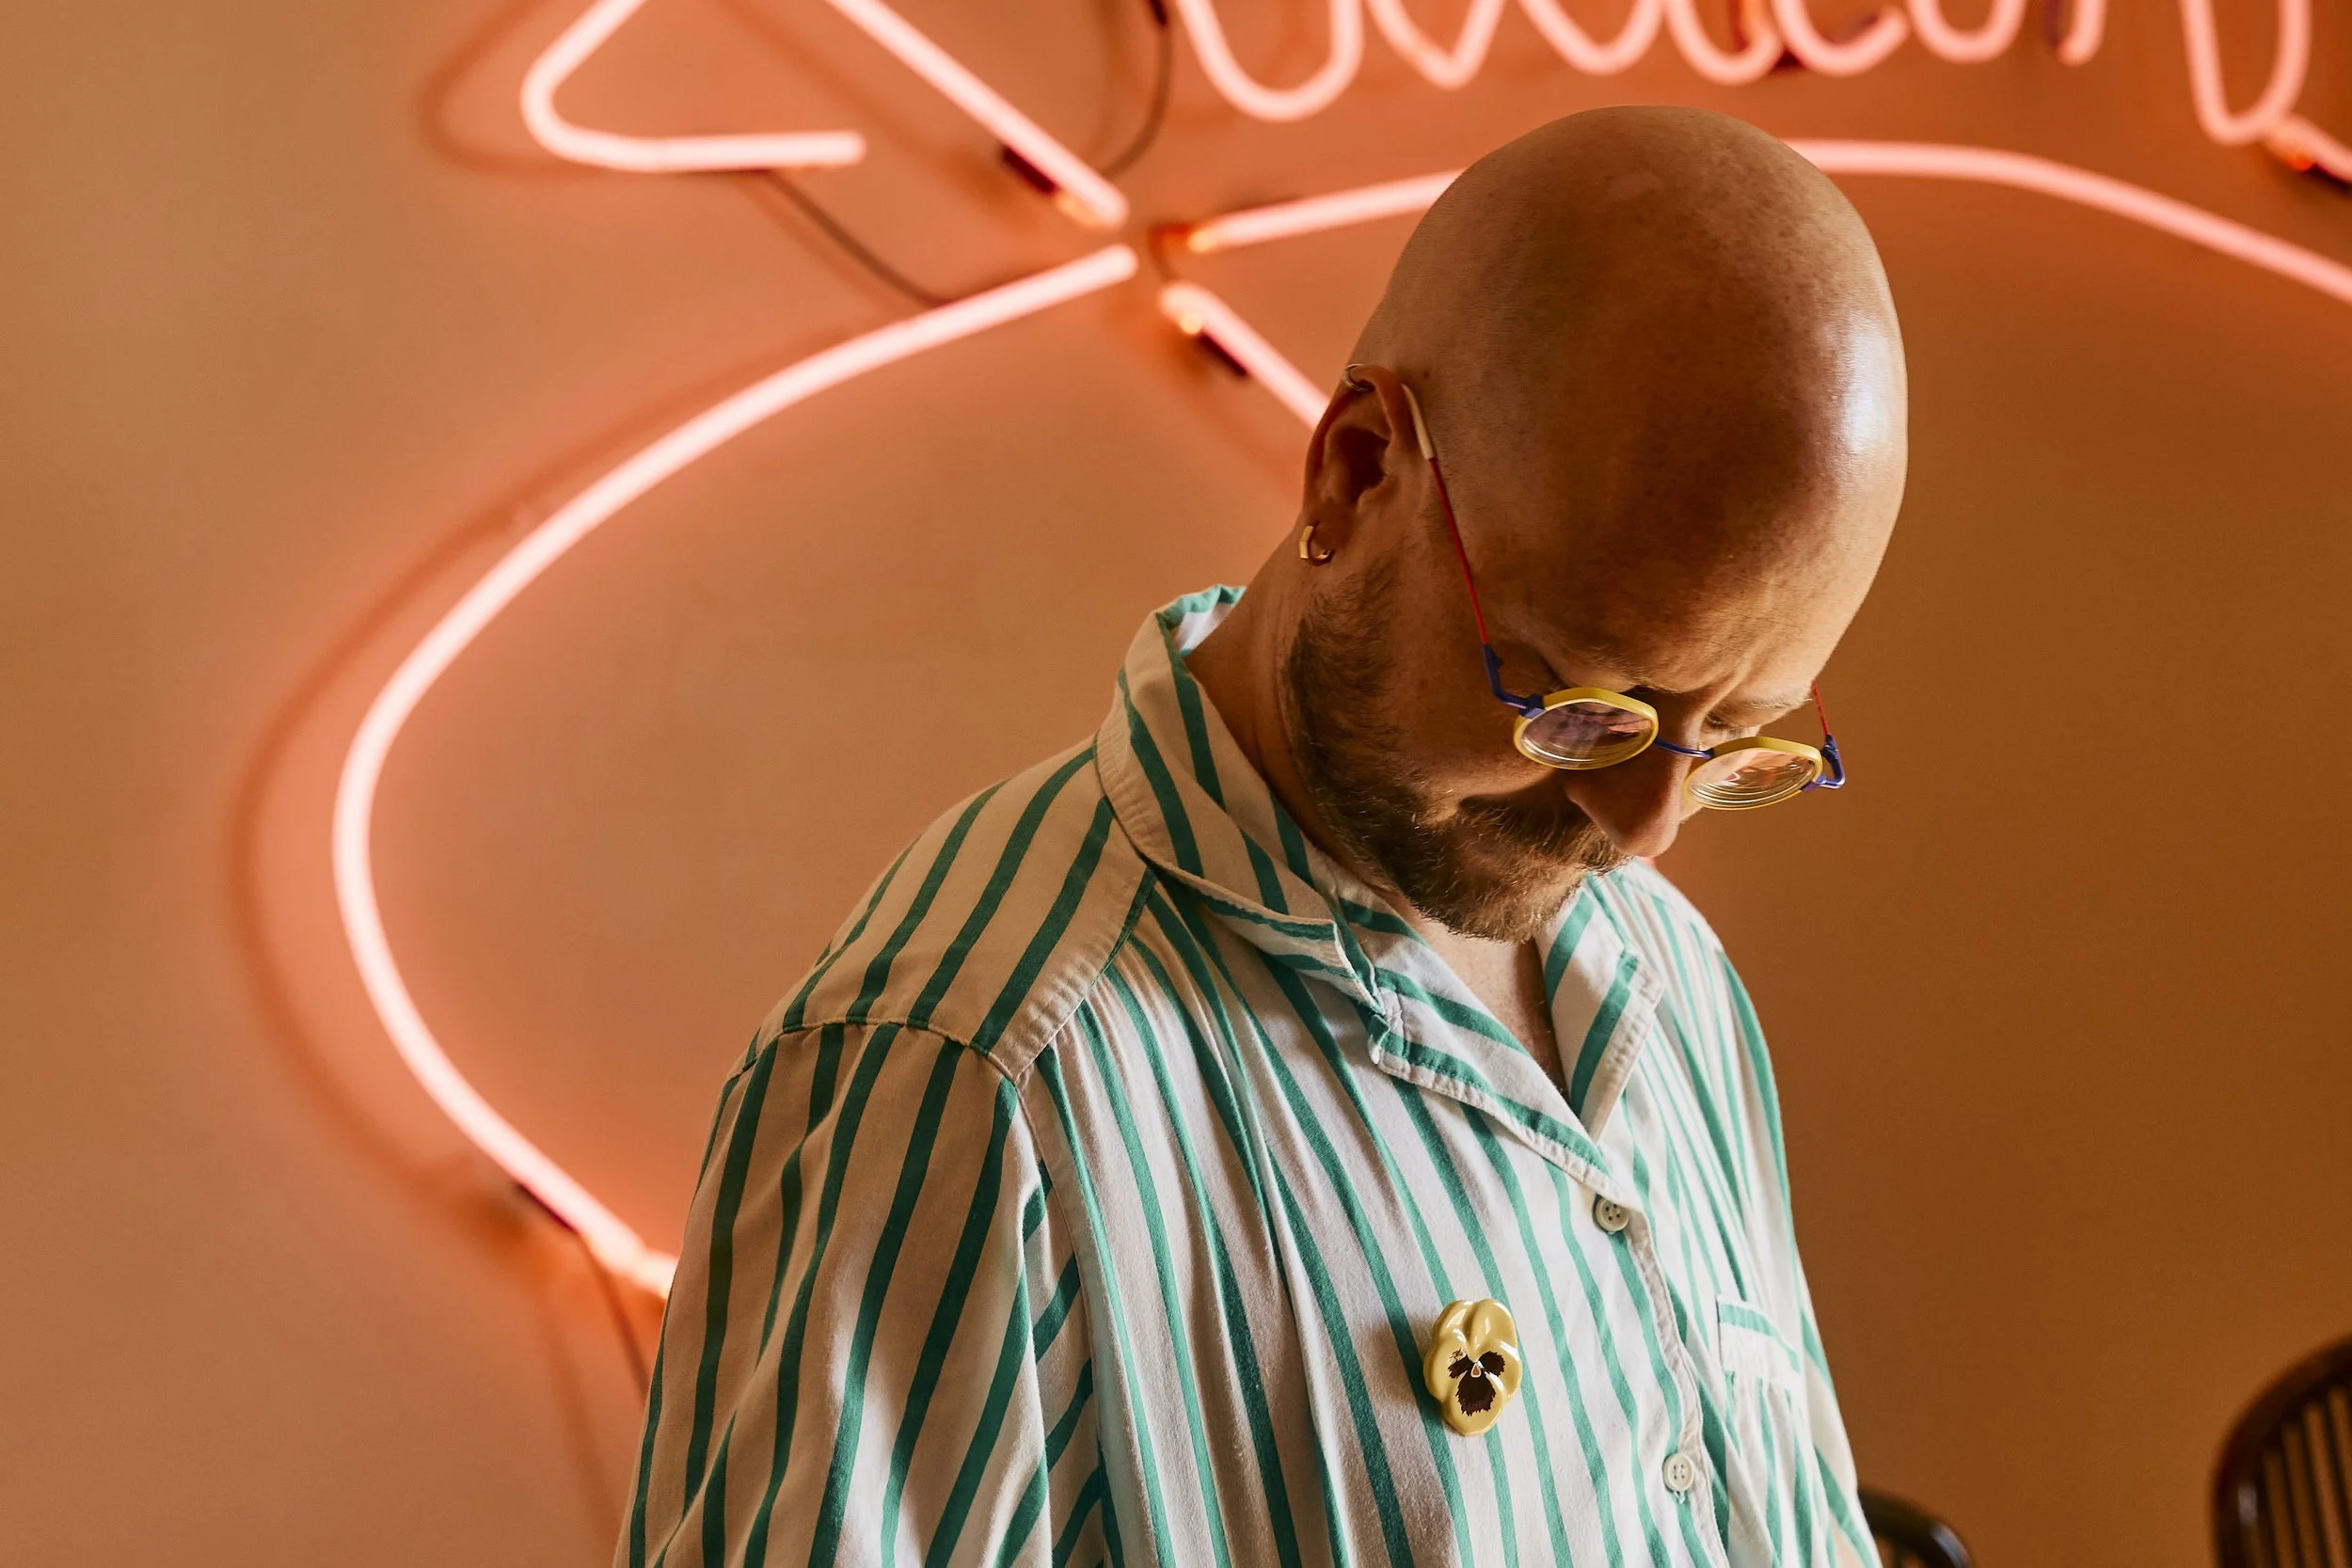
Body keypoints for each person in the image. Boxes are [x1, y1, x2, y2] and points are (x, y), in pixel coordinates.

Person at [617, 103, 1907, 1568]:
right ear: (1357, 470)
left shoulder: (1660, 975)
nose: (1647, 827)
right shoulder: (965, 1069)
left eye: (1738, 739)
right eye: (1577, 701)